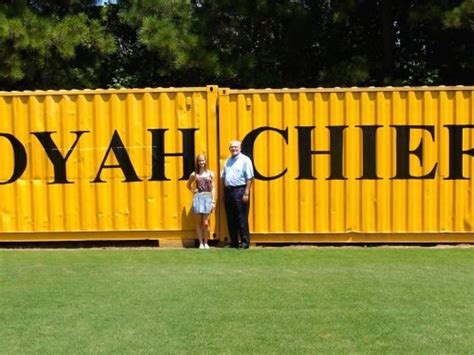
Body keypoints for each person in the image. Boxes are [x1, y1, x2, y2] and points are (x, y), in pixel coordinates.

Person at [221, 140, 254, 249]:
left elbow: (249, 178)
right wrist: (223, 193)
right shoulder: (227, 161)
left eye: (236, 147)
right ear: (229, 149)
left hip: (240, 190)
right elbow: (223, 177)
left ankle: (245, 242)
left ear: (240, 148)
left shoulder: (245, 160)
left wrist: (246, 192)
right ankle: (234, 241)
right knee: (230, 218)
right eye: (232, 147)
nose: (234, 149)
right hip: (229, 191)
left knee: (241, 217)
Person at [187, 154, 215, 249]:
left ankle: (206, 242)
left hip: (208, 197)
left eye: (203, 160)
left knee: (206, 222)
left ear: (206, 161)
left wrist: (213, 201)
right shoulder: (194, 174)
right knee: (198, 222)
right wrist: (192, 190)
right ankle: (200, 243)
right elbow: (188, 184)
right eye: (199, 161)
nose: (201, 162)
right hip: (198, 198)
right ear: (197, 162)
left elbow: (213, 188)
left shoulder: (211, 174)